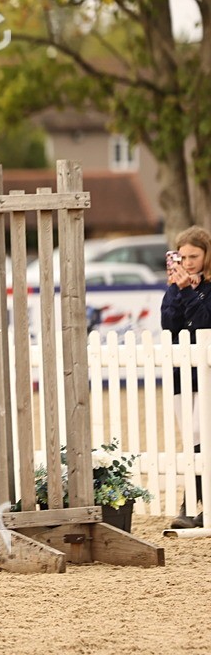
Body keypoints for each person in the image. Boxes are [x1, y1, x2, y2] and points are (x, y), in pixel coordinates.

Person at [161, 225, 211, 528]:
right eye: (183, 256)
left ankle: (191, 503)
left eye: (194, 256)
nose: (188, 262)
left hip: (207, 371)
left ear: (206, 255)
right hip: (184, 374)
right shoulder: (177, 286)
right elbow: (169, 324)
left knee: (201, 434)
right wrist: (177, 291)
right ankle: (193, 503)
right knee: (192, 438)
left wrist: (191, 292)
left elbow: (205, 321)